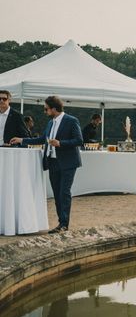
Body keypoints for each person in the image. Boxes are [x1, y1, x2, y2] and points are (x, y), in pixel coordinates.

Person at [12, 96, 83, 232]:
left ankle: (64, 224)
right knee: (57, 193)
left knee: (64, 192)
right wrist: (21, 140)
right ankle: (61, 223)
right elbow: (41, 139)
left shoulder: (71, 120)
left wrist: (60, 143)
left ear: (54, 109)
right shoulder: (50, 123)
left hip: (68, 163)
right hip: (52, 162)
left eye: (46, 109)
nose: (45, 112)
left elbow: (79, 140)